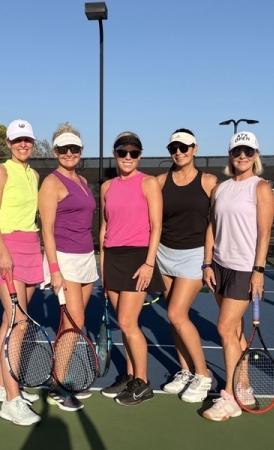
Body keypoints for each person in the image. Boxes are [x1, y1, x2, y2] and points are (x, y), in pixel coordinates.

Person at [201, 131, 274, 421]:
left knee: (223, 328)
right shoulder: (220, 189)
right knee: (235, 331)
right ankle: (243, 385)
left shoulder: (261, 188)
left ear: (256, 155)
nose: (241, 156)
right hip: (219, 267)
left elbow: (265, 233)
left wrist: (259, 270)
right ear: (229, 156)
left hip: (245, 269)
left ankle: (230, 398)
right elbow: (211, 227)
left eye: (247, 151)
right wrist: (207, 263)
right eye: (236, 151)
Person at [99, 132, 164, 406]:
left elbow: (156, 226)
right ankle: (128, 376)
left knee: (128, 323)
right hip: (112, 258)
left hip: (138, 259)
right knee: (124, 325)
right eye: (122, 152)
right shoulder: (107, 187)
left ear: (139, 155)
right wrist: (102, 269)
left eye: (133, 153)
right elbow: (104, 228)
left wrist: (149, 263)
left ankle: (143, 383)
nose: (127, 157)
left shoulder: (149, 183)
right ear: (115, 154)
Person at [0, 119, 43, 426]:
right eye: (17, 140)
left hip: (32, 248)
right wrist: (4, 254)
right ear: (8, 143)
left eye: (27, 140)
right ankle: (12, 399)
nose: (23, 144)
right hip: (8, 249)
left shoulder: (33, 174)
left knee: (11, 321)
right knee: (19, 324)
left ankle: (0, 384)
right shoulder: (0, 171)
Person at [38, 124, 98, 412]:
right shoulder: (52, 182)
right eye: (64, 149)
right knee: (73, 323)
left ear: (81, 150)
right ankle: (57, 384)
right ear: (55, 152)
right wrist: (55, 269)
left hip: (87, 257)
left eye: (74, 148)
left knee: (75, 323)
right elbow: (46, 230)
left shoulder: (84, 182)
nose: (70, 153)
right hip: (65, 259)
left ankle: (60, 375)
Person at [156, 129, 218, 403]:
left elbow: (217, 222)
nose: (178, 152)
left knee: (176, 313)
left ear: (194, 148)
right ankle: (185, 370)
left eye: (184, 147)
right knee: (174, 319)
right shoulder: (159, 181)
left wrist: (209, 260)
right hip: (163, 253)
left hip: (194, 255)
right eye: (174, 148)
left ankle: (203, 374)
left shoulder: (208, 182)